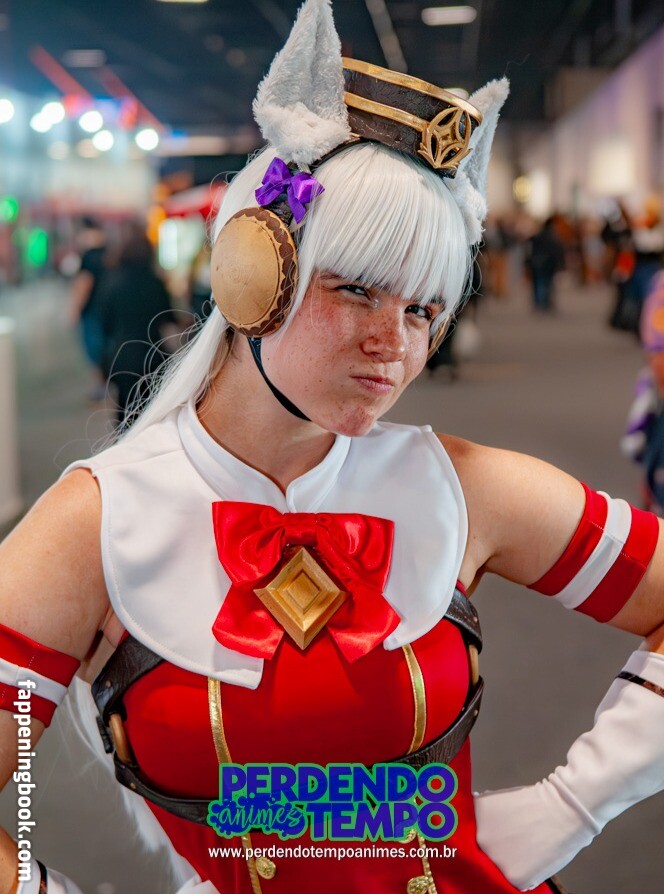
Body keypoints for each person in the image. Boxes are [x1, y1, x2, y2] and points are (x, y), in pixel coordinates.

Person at [1, 2, 663, 893]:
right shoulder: (95, 523)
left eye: (424, 309)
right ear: (253, 275)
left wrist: (575, 804)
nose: (396, 344)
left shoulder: (464, 487)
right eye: (357, 290)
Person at [95, 224, 177, 424]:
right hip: (153, 355)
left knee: (125, 414)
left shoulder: (112, 282)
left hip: (122, 356)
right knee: (152, 415)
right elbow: (168, 318)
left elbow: (104, 322)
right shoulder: (155, 283)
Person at [68, 216, 108, 400]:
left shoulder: (89, 256)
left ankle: (101, 385)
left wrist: (74, 309)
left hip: (92, 310)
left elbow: (84, 283)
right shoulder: (109, 252)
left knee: (94, 348)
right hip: (106, 309)